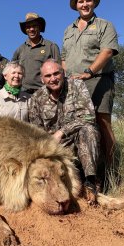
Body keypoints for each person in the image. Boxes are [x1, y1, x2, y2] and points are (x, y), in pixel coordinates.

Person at [61, 0, 119, 170]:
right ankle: (84, 171)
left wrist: (90, 71)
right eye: (81, 1)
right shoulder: (68, 30)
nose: (85, 4)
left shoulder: (104, 25)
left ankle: (110, 171)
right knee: (76, 126)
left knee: (102, 125)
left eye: (88, 1)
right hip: (73, 84)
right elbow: (64, 58)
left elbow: (108, 51)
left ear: (93, 3)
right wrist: (66, 78)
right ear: (76, 6)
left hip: (99, 80)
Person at [29, 59, 100, 204]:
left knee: (89, 130)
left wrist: (61, 132)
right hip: (53, 148)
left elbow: (88, 116)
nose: (53, 79)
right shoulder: (36, 98)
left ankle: (91, 182)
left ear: (63, 73)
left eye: (56, 74)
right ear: (42, 79)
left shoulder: (77, 85)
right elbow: (36, 131)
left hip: (77, 142)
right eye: (48, 76)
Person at [12, 12, 61, 94]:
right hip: (23, 95)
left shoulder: (51, 46)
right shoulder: (19, 50)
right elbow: (12, 72)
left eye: (34, 26)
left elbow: (59, 71)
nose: (31, 29)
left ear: (40, 27)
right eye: (28, 27)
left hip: (45, 92)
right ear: (25, 30)